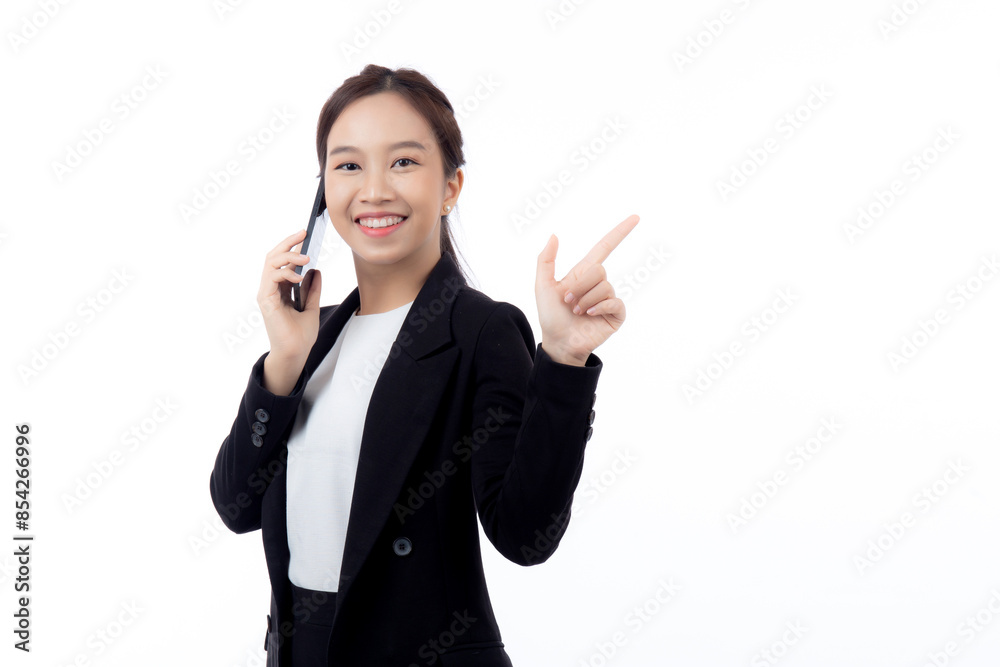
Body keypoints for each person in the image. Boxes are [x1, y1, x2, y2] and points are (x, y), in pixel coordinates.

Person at [209, 64, 639, 667]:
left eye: (404, 162)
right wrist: (284, 360)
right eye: (348, 164)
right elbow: (235, 507)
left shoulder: (481, 330)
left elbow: (525, 535)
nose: (375, 189)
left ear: (450, 187)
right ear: (322, 191)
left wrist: (563, 361)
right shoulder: (312, 334)